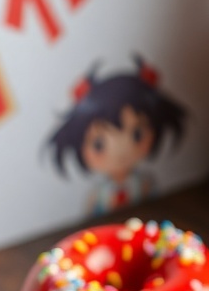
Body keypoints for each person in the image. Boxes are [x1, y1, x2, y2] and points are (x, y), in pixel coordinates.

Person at [47, 55, 187, 215]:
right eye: (99, 145)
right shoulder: (99, 194)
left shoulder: (145, 184)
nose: (120, 151)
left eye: (137, 135)